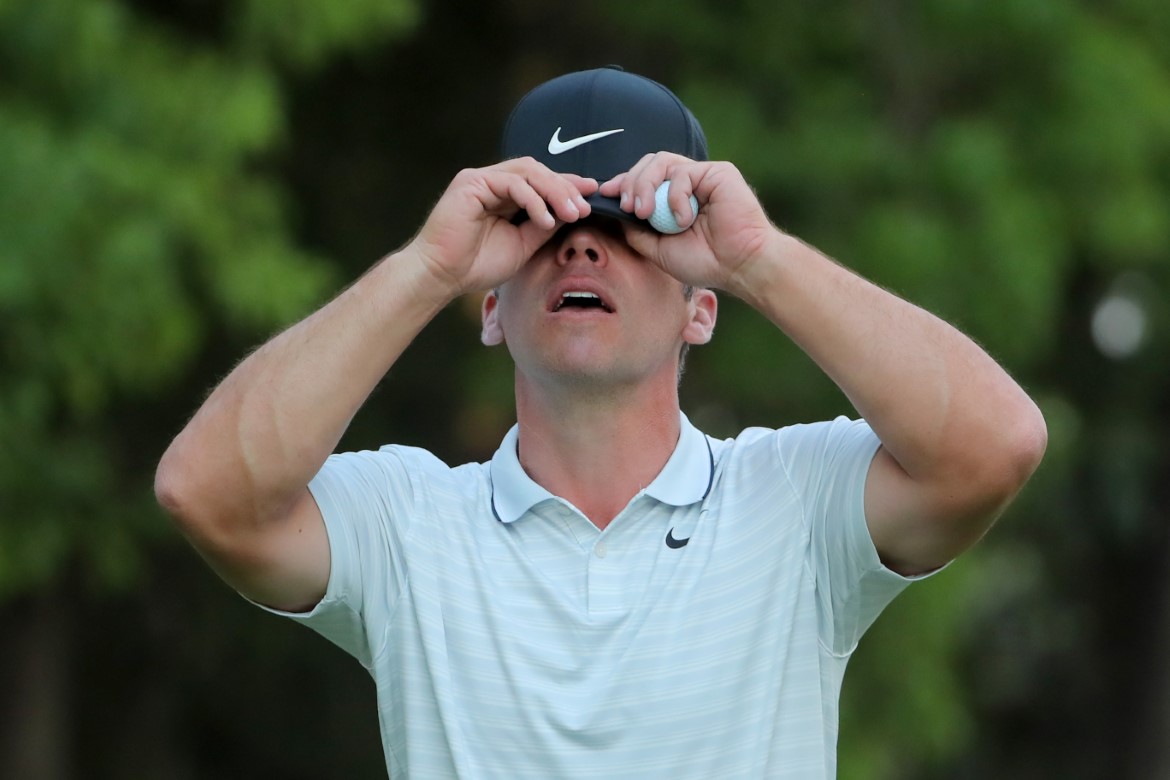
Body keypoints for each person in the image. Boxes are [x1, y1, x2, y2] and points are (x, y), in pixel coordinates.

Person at [155, 66, 1047, 778]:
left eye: (624, 226)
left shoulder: (795, 503)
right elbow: (206, 494)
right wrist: (430, 266)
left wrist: (756, 256)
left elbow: (994, 446)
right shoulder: (408, 521)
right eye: (544, 223)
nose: (582, 244)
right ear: (491, 309)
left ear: (703, 308)